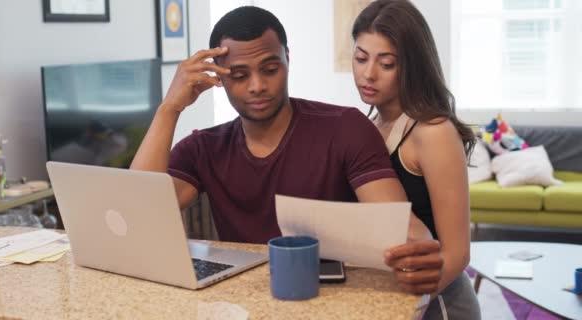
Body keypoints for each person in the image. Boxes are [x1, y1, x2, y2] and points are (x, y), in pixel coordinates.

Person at [131, 6, 442, 295]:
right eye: (239, 76)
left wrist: (420, 248)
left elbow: (398, 226)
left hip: (331, 298)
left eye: (269, 69)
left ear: (288, 59)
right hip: (245, 300)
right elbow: (139, 213)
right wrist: (169, 108)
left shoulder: (345, 127)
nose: (257, 86)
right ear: (218, 77)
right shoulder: (204, 147)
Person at [350, 0, 481, 318]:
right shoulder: (370, 127)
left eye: (387, 63)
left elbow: (457, 254)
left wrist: (400, 309)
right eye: (361, 58)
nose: (368, 74)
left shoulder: (433, 131)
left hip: (438, 305)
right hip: (392, 294)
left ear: (412, 65)